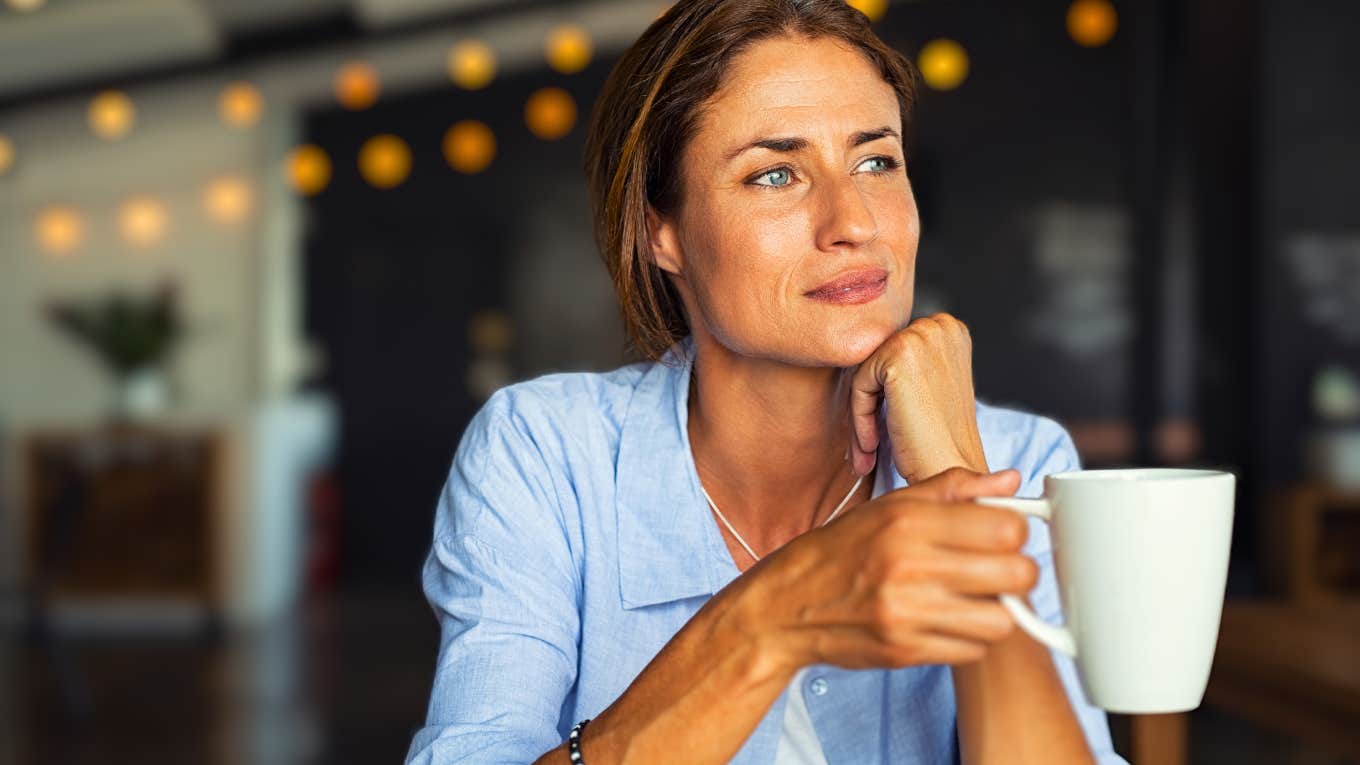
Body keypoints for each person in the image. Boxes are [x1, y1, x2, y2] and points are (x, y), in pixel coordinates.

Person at [407, 1, 1126, 762]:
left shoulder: (1022, 459)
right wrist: (768, 620)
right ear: (663, 231)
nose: (852, 221)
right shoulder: (547, 456)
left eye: (876, 160)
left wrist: (955, 472)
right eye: (776, 174)